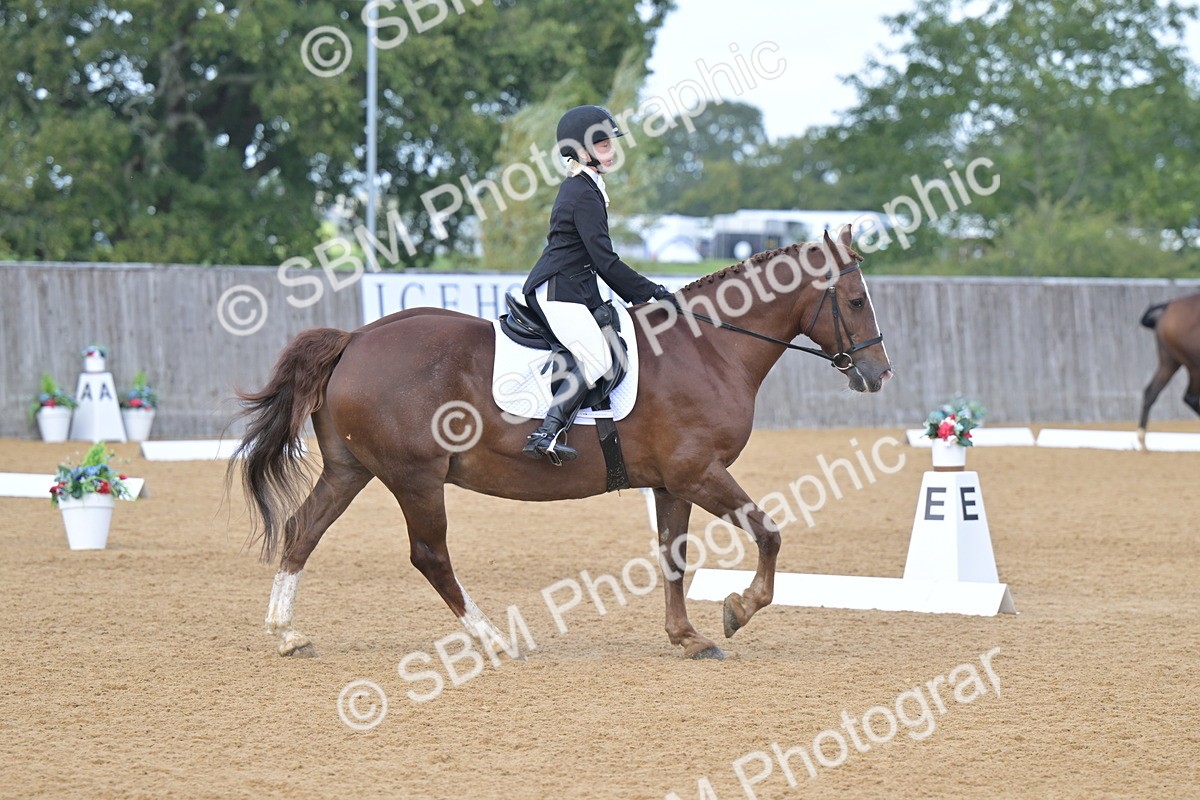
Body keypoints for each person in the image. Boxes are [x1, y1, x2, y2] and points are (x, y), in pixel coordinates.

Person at [521, 105, 674, 463]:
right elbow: (605, 260)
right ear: (582, 151)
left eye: (610, 143)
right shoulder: (582, 193)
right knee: (597, 358)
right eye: (603, 144)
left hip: (575, 289)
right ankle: (546, 433)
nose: (612, 150)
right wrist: (651, 292)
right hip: (560, 293)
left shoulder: (588, 186)